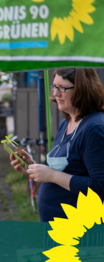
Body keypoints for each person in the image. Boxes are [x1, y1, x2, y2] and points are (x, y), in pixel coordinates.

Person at [10, 68, 104, 222]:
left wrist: (53, 175)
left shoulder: (94, 129)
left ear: (82, 88)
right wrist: (32, 167)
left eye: (62, 88)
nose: (55, 93)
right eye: (54, 86)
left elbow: (100, 187)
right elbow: (65, 172)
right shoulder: (65, 124)